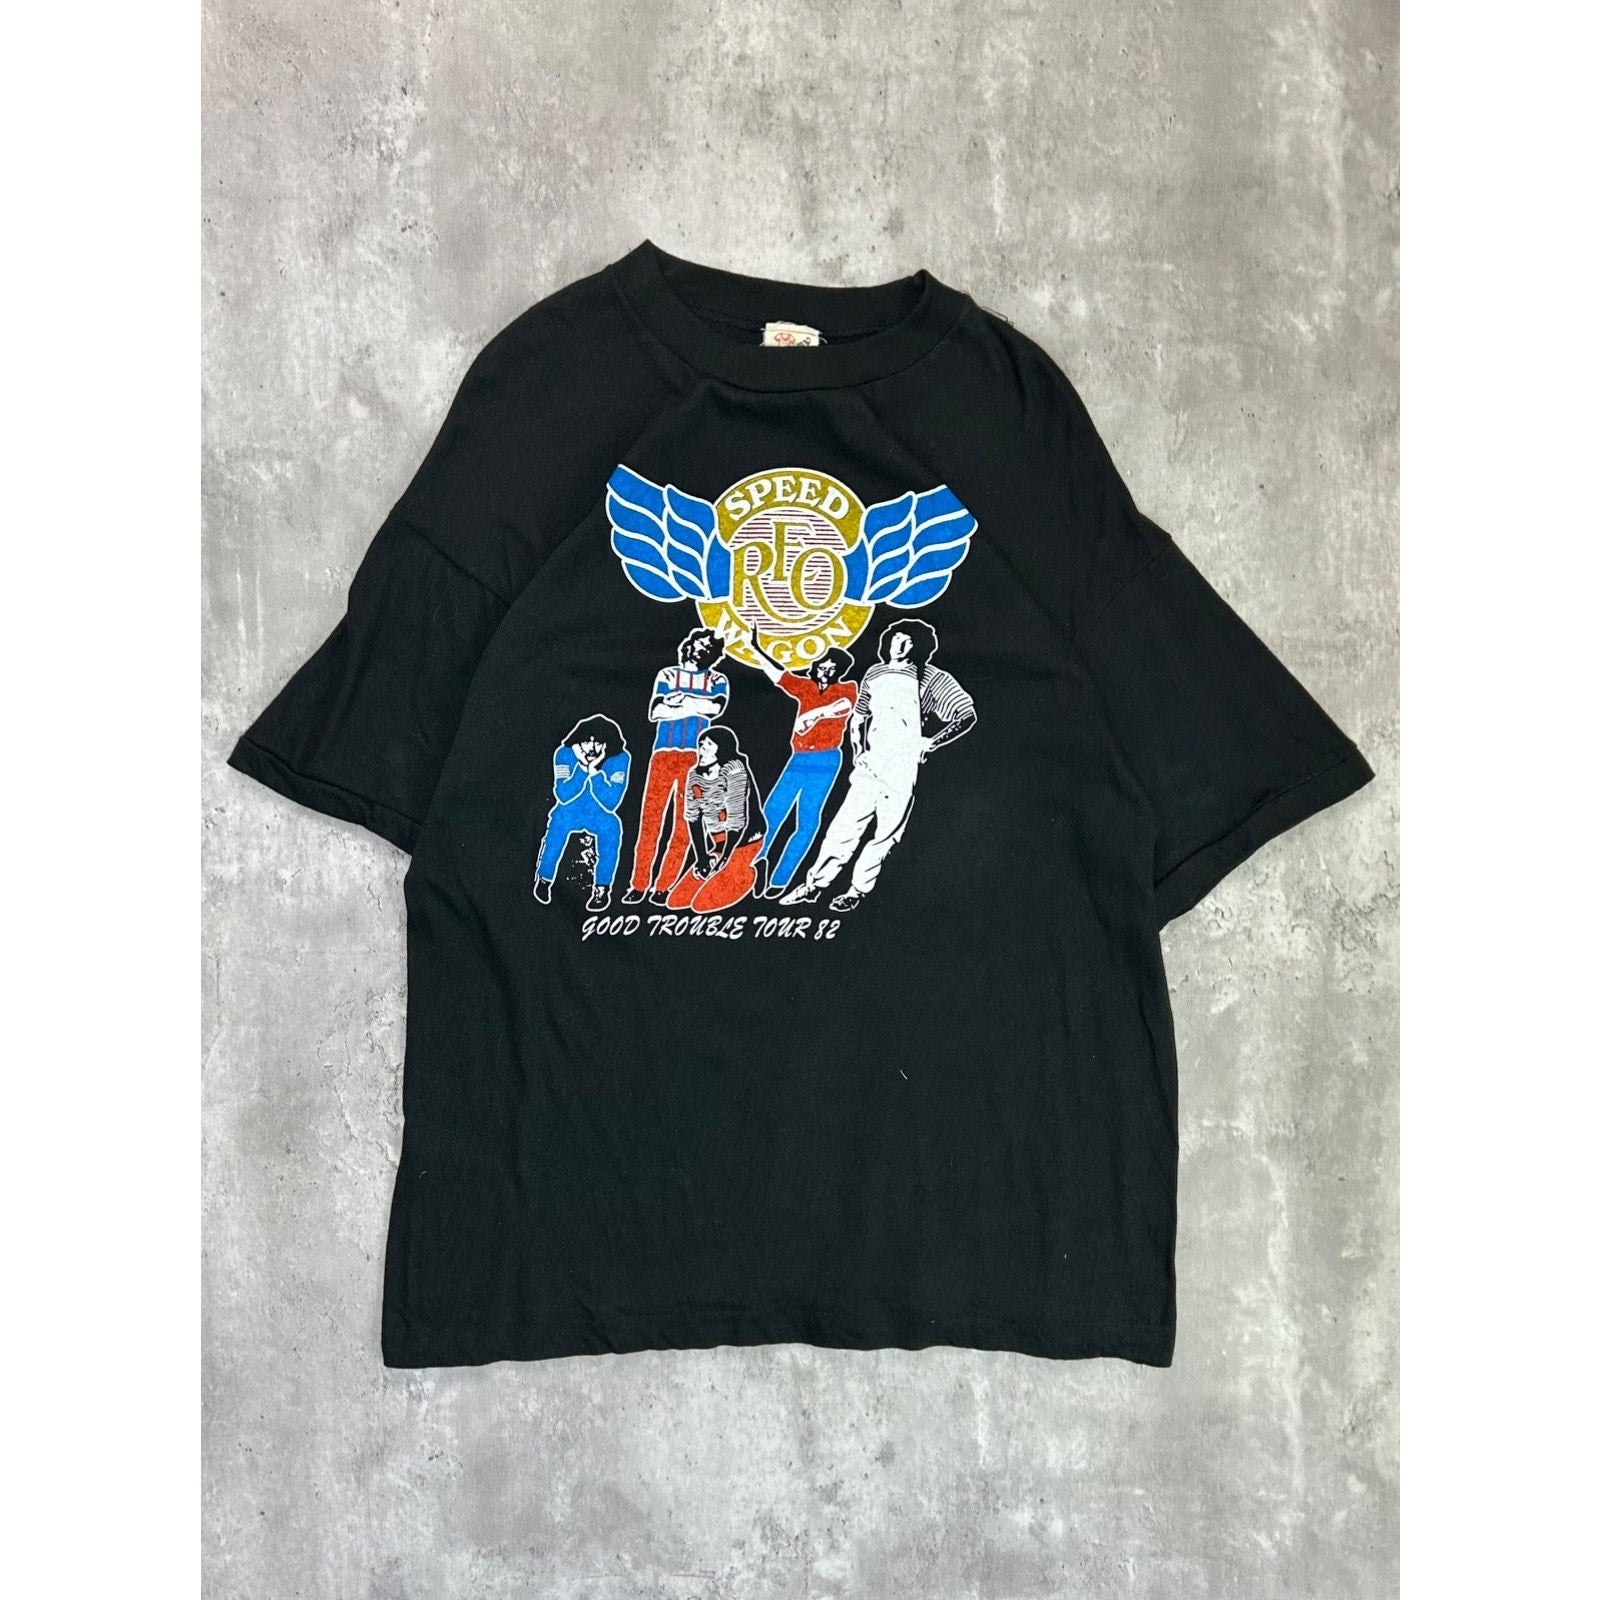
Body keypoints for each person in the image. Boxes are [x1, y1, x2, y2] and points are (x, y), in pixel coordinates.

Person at [779, 619, 974, 912]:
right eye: (896, 638)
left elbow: (966, 714)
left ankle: (857, 890)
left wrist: (931, 742)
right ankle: (813, 885)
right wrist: (858, 750)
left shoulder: (931, 678)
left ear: (919, 646)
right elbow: (859, 717)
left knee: (885, 834)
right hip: (871, 763)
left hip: (903, 767)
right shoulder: (874, 672)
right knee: (843, 827)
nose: (899, 645)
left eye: (907, 640)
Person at [743, 636, 858, 897]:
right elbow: (778, 675)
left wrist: (812, 716)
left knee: (806, 819)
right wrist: (756, 648)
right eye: (822, 665)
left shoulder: (847, 688)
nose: (824, 669)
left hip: (826, 760)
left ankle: (780, 880)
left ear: (837, 670)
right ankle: (754, 864)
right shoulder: (805, 687)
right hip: (799, 758)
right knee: (772, 812)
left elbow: (842, 707)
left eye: (830, 666)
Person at [624, 627, 729, 903]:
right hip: (663, 755)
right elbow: (656, 711)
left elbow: (716, 709)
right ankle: (638, 884)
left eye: (707, 647)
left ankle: (663, 887)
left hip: (696, 760)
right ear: (689, 644)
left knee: (685, 824)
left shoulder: (717, 679)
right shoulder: (668, 674)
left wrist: (680, 701)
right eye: (698, 643)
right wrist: (696, 705)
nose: (699, 649)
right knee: (650, 821)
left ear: (713, 654)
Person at [664, 725, 768, 913]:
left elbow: (736, 819)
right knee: (676, 901)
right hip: (719, 841)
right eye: (701, 744)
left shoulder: (734, 770)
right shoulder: (695, 775)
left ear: (723, 748)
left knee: (701, 905)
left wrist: (724, 860)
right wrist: (702, 858)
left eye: (708, 745)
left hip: (744, 839)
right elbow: (693, 818)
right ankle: (727, 868)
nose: (701, 749)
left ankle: (754, 871)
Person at [533, 715, 630, 910]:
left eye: (598, 743)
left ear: (607, 744)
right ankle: (543, 879)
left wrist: (593, 772)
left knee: (612, 828)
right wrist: (582, 769)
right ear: (578, 742)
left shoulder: (619, 758)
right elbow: (563, 795)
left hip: (600, 813)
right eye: (587, 742)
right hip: (569, 809)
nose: (592, 748)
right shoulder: (564, 754)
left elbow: (611, 802)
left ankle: (602, 889)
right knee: (557, 824)